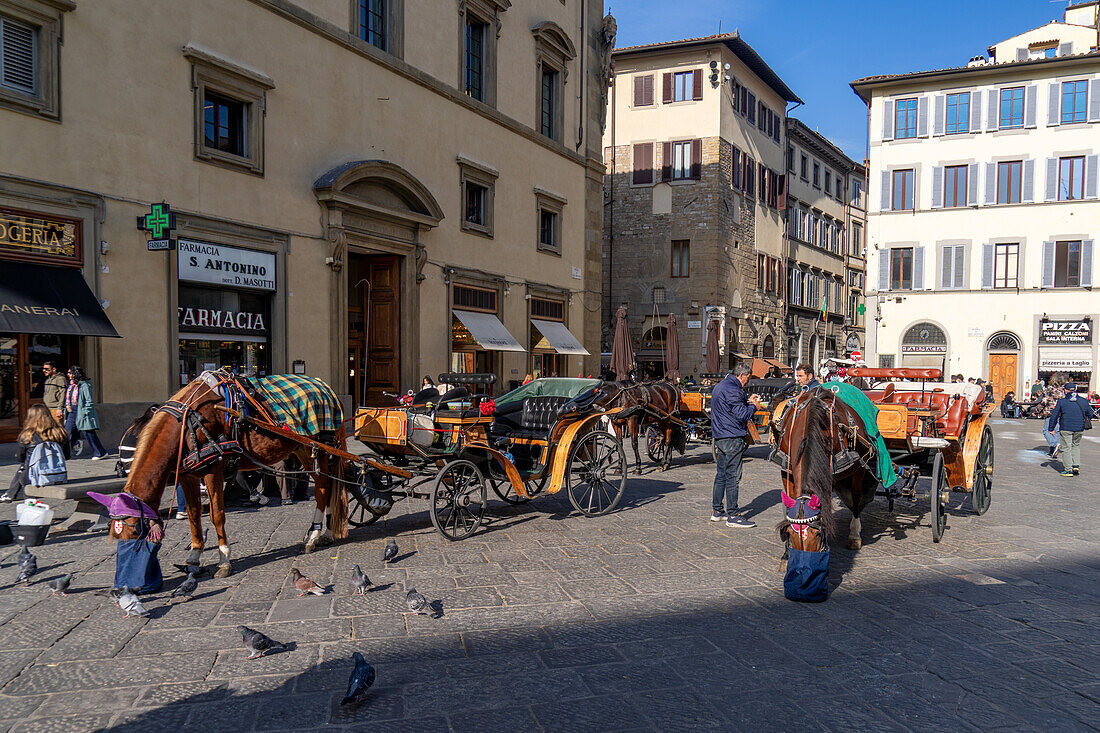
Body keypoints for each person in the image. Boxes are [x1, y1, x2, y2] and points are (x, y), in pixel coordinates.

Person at [709, 363, 763, 528]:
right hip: (732, 437)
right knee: (733, 477)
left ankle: (717, 511)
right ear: (742, 375)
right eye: (748, 378)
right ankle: (733, 515)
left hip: (721, 436)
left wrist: (747, 401)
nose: (748, 381)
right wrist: (754, 406)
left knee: (721, 475)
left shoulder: (721, 386)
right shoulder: (734, 389)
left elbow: (730, 408)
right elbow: (742, 415)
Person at [2, 404, 70, 502]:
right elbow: (67, 456)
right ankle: (10, 494)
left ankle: (14, 496)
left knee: (24, 468)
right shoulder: (61, 433)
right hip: (57, 475)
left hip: (32, 477)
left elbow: (20, 459)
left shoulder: (27, 435)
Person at [65, 366, 108, 459]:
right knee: (67, 433)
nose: (68, 375)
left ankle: (100, 453)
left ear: (75, 374)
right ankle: (66, 453)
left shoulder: (84, 385)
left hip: (81, 413)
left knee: (89, 433)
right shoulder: (71, 385)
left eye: (70, 373)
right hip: (71, 413)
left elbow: (89, 400)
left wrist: (85, 412)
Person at [1048, 382, 1087, 477]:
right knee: (1076, 446)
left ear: (1065, 390)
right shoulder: (1083, 401)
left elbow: (1054, 415)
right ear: (1075, 389)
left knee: (1066, 448)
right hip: (1079, 428)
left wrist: (1051, 428)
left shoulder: (1062, 401)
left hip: (1066, 427)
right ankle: (1076, 465)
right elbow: (1090, 414)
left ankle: (1068, 469)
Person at [1040, 378, 1064, 457]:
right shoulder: (1062, 390)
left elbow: (1044, 400)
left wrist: (1037, 410)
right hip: (1059, 412)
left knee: (1046, 430)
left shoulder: (1049, 389)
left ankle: (1055, 444)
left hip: (1050, 411)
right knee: (1056, 431)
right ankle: (1052, 451)